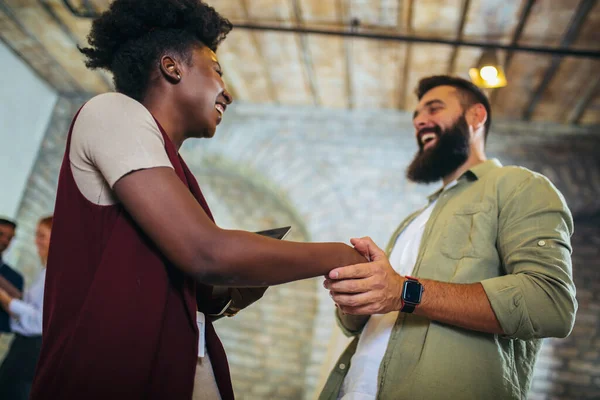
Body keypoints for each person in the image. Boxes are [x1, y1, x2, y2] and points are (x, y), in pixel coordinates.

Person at [30, 1, 367, 400]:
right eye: (217, 71)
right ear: (172, 67)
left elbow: (183, 278)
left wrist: (225, 294)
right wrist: (342, 257)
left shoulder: (174, 172)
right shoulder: (113, 111)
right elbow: (206, 252)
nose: (228, 92)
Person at [320, 75, 577, 400]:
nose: (419, 121)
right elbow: (361, 322)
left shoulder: (519, 186)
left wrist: (404, 292)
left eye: (434, 108)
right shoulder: (413, 220)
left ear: (476, 116)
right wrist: (357, 296)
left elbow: (550, 303)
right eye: (416, 116)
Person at [0, 216, 52, 400]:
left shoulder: (55, 274)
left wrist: (6, 299)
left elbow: (39, 319)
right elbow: (29, 302)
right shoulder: (46, 271)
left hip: (29, 350)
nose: (35, 241)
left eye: (41, 236)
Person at [0, 218, 24, 333]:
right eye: (1, 234)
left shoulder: (15, 278)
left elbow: (15, 316)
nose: (4, 240)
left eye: (9, 238)